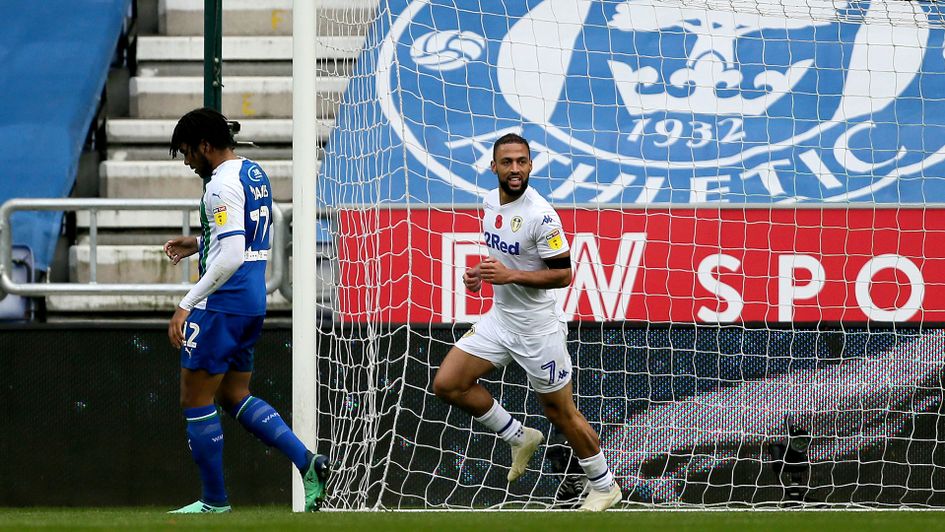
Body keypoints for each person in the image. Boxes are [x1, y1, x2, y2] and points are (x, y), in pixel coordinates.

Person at [432, 133, 622, 511]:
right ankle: (519, 436)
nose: (515, 169)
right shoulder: (490, 202)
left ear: (531, 165)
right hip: (501, 321)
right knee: (448, 384)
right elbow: (505, 258)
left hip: (538, 331)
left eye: (522, 161)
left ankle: (604, 485)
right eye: (507, 162)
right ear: (494, 167)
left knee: (560, 413)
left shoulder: (541, 216)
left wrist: (509, 277)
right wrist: (480, 274)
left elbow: (563, 275)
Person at [163, 107, 329, 513]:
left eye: (187, 152)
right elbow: (245, 236)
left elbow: (232, 253)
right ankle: (307, 461)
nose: (187, 162)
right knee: (234, 393)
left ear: (205, 145)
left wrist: (185, 304)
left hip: (222, 304)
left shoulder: (219, 186)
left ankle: (214, 502)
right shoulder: (253, 172)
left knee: (194, 397)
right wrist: (200, 243)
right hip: (251, 301)